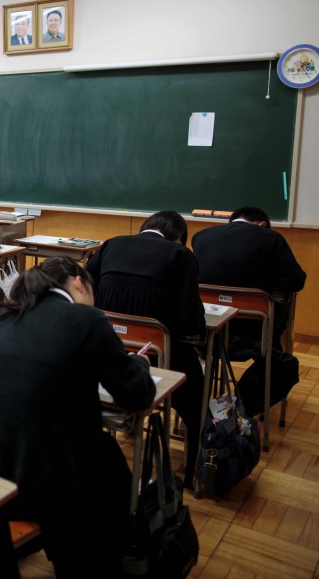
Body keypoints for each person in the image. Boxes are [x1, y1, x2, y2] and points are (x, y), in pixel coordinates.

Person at [0, 257, 155, 577]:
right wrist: (140, 365)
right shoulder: (86, 319)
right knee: (111, 463)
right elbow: (137, 395)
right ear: (78, 282)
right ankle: (98, 560)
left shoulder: (1, 317)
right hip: (40, 486)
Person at [86, 209, 205, 487]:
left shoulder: (111, 244)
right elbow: (190, 321)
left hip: (109, 350)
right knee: (197, 392)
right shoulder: (181, 255)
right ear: (178, 238)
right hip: (157, 353)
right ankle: (193, 471)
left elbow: (85, 290)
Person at [191, 206, 307, 350]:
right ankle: (271, 363)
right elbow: (295, 281)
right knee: (281, 305)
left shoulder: (201, 236)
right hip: (255, 325)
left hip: (209, 321)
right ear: (262, 225)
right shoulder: (272, 237)